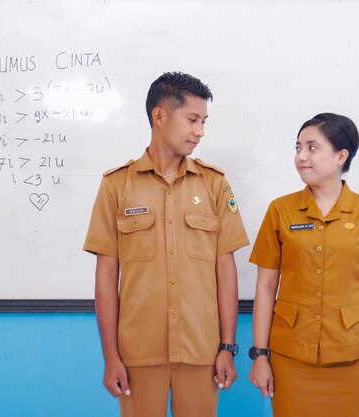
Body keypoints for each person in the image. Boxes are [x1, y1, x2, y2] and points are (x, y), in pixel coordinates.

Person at [83, 72, 249, 417]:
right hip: (138, 353)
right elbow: (105, 276)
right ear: (159, 116)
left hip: (201, 351)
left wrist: (227, 347)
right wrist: (111, 356)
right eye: (192, 119)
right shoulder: (117, 185)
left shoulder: (215, 184)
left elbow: (225, 268)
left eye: (203, 121)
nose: (199, 131)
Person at [248, 113, 359, 417]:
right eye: (297, 148)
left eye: (312, 147)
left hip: (353, 359)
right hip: (290, 358)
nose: (301, 156)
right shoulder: (280, 210)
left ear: (340, 156)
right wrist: (260, 355)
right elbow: (266, 287)